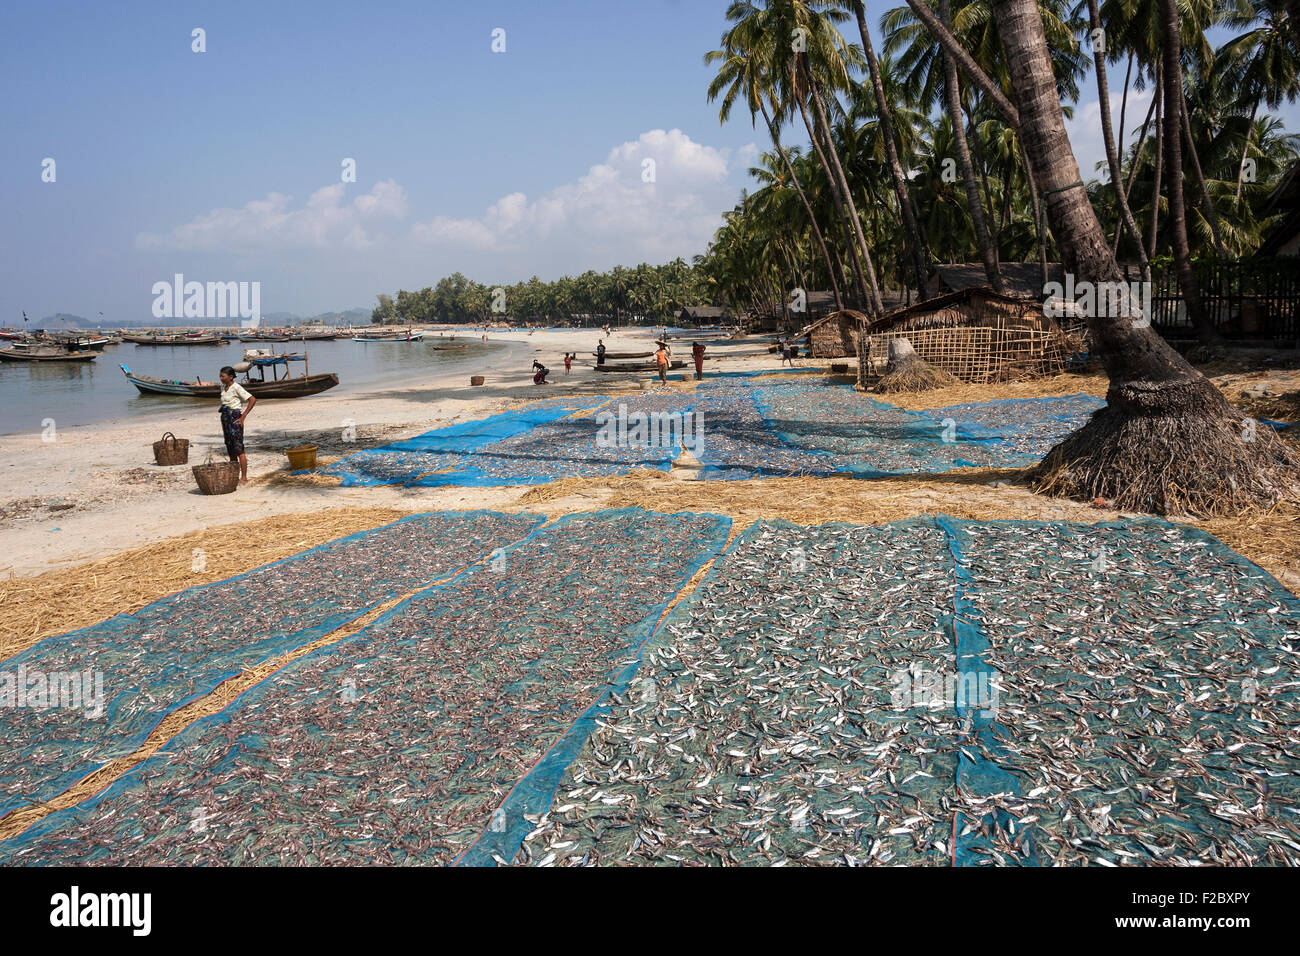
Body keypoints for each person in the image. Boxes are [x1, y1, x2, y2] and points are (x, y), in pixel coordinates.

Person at [218, 365, 256, 484]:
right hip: (225, 420)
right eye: (220, 376)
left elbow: (252, 399)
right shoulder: (224, 388)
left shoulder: (236, 387)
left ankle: (244, 477)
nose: (220, 378)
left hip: (234, 419)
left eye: (222, 376)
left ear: (230, 377)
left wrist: (243, 416)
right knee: (230, 448)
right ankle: (234, 476)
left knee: (239, 449)